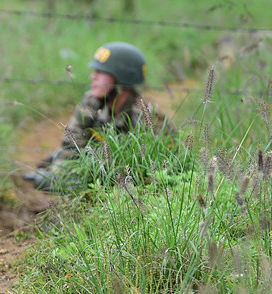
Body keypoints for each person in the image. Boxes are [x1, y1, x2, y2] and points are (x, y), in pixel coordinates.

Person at [23, 41, 175, 192]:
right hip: (100, 161)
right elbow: (72, 142)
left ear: (121, 80)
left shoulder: (146, 117)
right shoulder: (93, 101)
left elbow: (138, 172)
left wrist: (64, 181)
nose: (93, 76)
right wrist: (57, 173)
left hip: (128, 178)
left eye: (101, 73)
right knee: (53, 160)